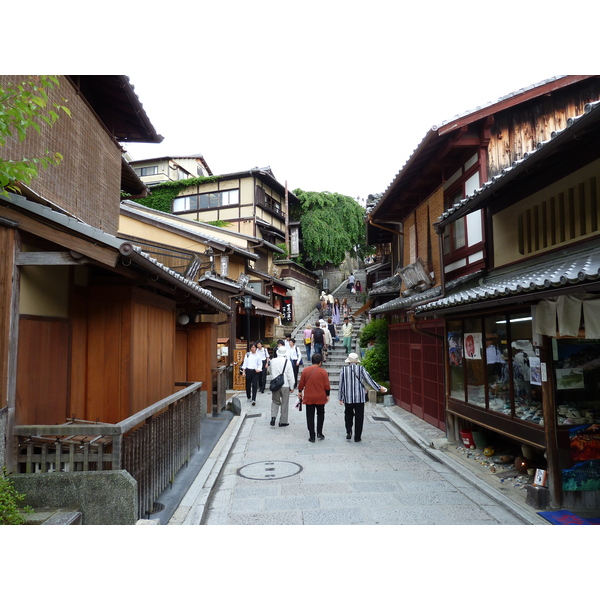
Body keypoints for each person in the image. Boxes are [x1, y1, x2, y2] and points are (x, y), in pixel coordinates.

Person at [339, 353, 387, 442]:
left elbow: (341, 384)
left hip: (348, 397)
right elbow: (369, 380)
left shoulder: (344, 370)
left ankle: (349, 431)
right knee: (359, 417)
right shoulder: (361, 369)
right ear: (357, 362)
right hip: (359, 397)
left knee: (348, 414)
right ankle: (357, 437)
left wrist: (340, 397)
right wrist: (379, 388)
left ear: (348, 362)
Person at [297, 353, 330, 443]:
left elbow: (301, 384)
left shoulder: (305, 371)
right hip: (320, 396)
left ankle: (312, 435)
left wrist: (300, 392)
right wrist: (327, 395)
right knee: (321, 414)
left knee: (310, 416)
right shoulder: (323, 372)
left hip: (309, 397)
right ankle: (319, 432)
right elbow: (326, 385)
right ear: (320, 362)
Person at [269, 346, 296, 427]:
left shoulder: (272, 361)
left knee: (275, 401)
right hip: (285, 385)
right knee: (285, 403)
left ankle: (273, 417)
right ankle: (283, 421)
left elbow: (270, 371)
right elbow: (290, 375)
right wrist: (292, 386)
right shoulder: (287, 362)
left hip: (275, 385)